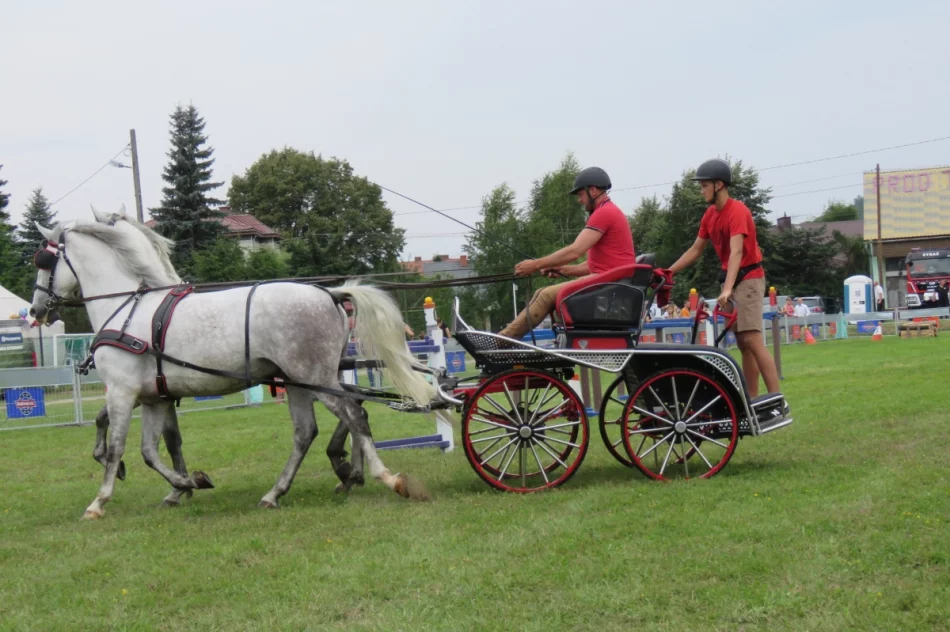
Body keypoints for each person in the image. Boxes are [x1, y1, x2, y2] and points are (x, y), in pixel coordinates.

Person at [665, 158, 780, 398]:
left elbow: (736, 251)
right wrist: (668, 272)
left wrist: (727, 289)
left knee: (752, 339)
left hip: (749, 277)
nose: (701, 190)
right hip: (732, 279)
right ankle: (752, 399)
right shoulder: (710, 215)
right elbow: (695, 250)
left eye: (705, 185)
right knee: (743, 343)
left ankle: (776, 399)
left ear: (719, 185)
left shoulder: (737, 211)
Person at [500, 167, 636, 339]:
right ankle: (505, 337)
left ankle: (502, 340)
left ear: (593, 190)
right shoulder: (608, 211)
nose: (580, 200)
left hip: (610, 284)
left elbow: (575, 251)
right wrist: (562, 270)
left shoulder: (604, 213)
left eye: (581, 194)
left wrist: (535, 264)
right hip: (611, 281)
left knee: (545, 295)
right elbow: (592, 265)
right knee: (541, 292)